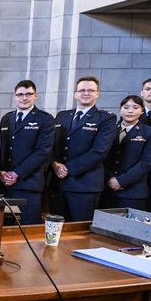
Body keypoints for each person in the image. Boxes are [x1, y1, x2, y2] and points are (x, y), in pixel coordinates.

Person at [49, 76, 117, 222]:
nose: (86, 93)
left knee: (80, 232)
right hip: (58, 184)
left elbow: (99, 151)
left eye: (91, 90)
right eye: (82, 90)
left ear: (97, 94)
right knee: (56, 231)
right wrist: (54, 164)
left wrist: (68, 168)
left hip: (84, 185)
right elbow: (51, 145)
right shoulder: (62, 116)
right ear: (75, 94)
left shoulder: (106, 119)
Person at [0, 80, 55, 225]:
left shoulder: (45, 119)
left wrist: (17, 173)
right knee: (4, 228)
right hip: (4, 184)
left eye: (28, 94)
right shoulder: (6, 118)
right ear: (14, 96)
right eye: (20, 94)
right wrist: (0, 172)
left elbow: (43, 151)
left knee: (29, 228)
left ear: (36, 95)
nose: (24, 98)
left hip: (29, 183)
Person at [101, 95, 151, 210]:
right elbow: (100, 156)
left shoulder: (150, 133)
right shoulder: (109, 129)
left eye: (135, 107)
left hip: (133, 192)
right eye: (126, 107)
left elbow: (146, 163)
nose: (130, 111)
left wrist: (121, 181)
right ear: (120, 110)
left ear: (142, 111)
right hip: (107, 189)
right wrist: (110, 178)